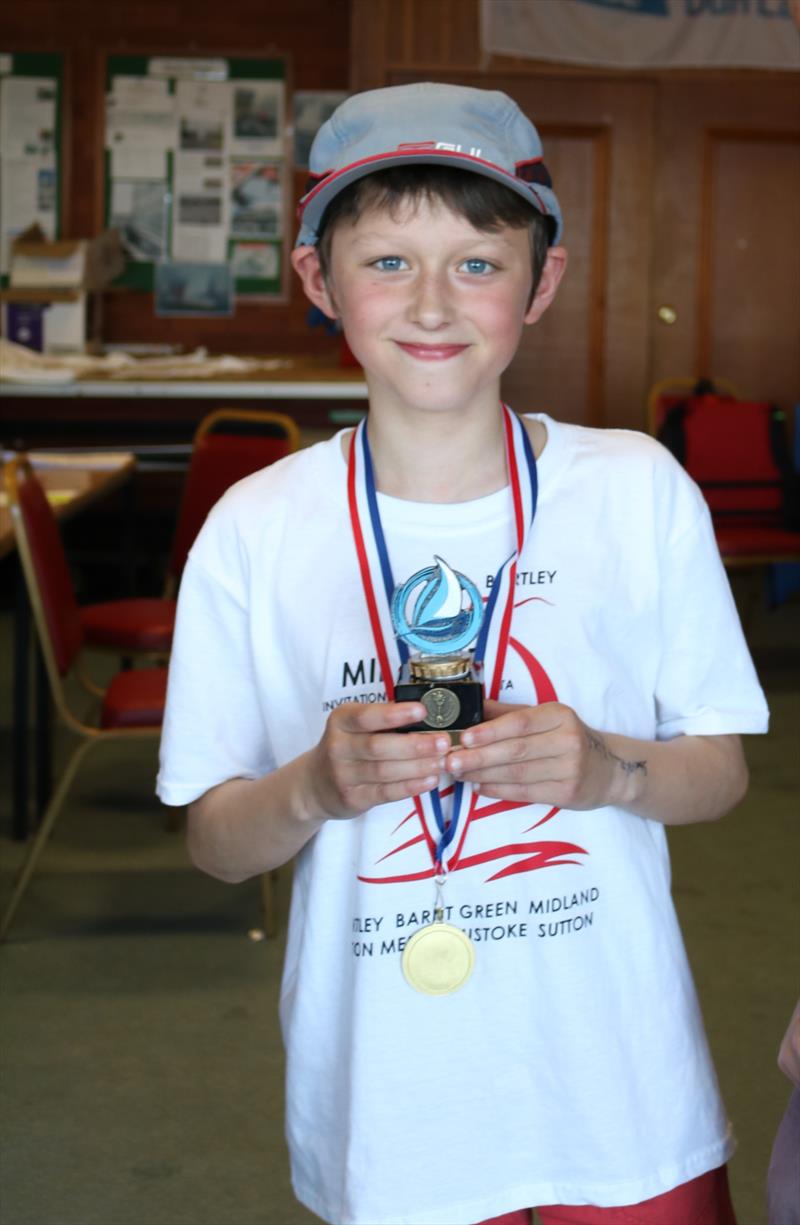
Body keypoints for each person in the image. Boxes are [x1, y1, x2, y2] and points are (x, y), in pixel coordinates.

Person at [157, 82, 769, 1225]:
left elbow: (718, 772)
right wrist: (314, 786)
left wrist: (606, 771)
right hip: (392, 1112)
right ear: (314, 278)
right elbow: (216, 844)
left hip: (622, 1096)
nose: (431, 302)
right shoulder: (256, 524)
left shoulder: (634, 489)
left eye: (477, 264)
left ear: (540, 282)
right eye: (386, 260)